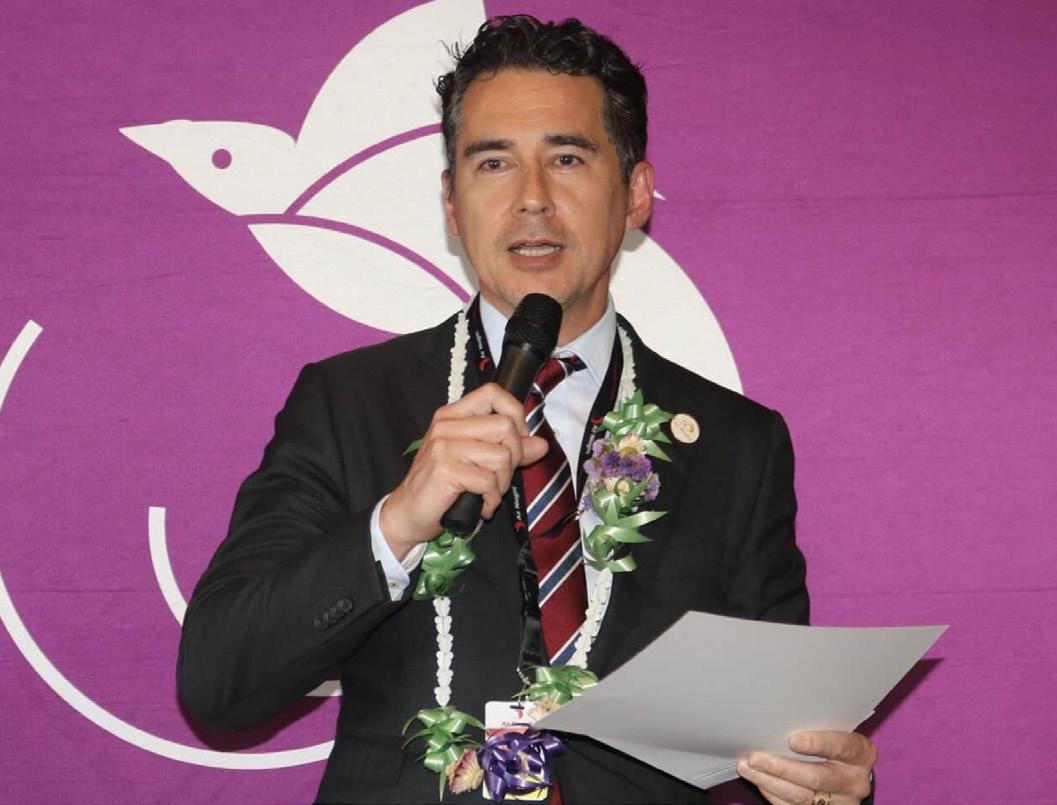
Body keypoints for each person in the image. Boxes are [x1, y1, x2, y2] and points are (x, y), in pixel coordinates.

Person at [178, 15, 877, 805]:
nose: (531, 199)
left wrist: (819, 783)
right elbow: (218, 683)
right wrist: (396, 523)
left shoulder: (736, 443)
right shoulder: (347, 403)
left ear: (634, 193)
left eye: (567, 158)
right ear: (452, 202)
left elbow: (772, 740)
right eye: (493, 163)